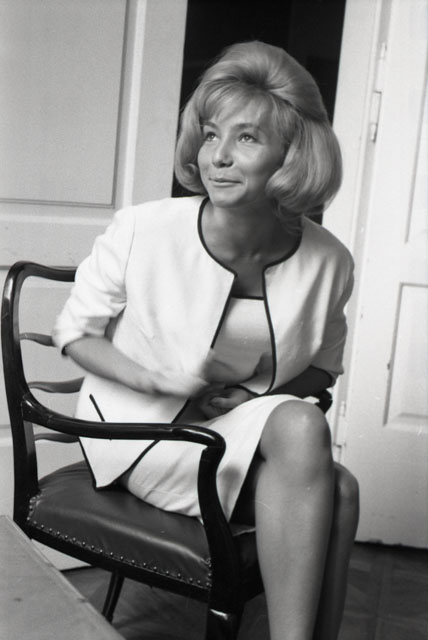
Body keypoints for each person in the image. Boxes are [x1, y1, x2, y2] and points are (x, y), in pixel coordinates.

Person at [53, 41, 359, 640]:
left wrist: (250, 400)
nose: (217, 156)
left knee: (326, 465)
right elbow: (76, 334)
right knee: (324, 466)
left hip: (237, 428)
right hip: (141, 431)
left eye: (247, 138)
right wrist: (156, 379)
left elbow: (324, 368)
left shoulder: (329, 260)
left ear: (293, 155)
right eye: (211, 134)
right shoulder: (144, 227)